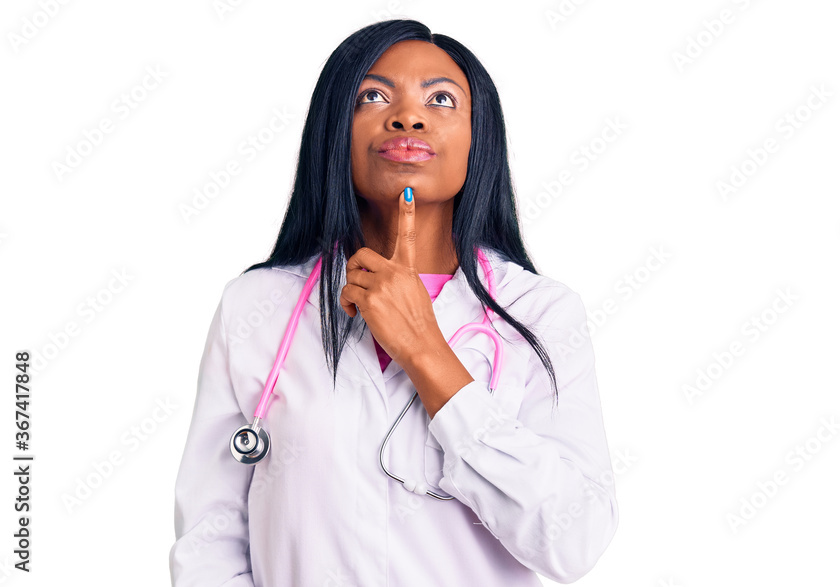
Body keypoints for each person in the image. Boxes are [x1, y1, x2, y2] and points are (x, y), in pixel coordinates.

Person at [168, 19, 618, 587]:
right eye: (374, 97)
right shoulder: (257, 307)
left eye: (441, 99)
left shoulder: (541, 314)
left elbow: (574, 541)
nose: (408, 117)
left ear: (479, 140)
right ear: (335, 132)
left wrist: (425, 350)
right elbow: (209, 541)